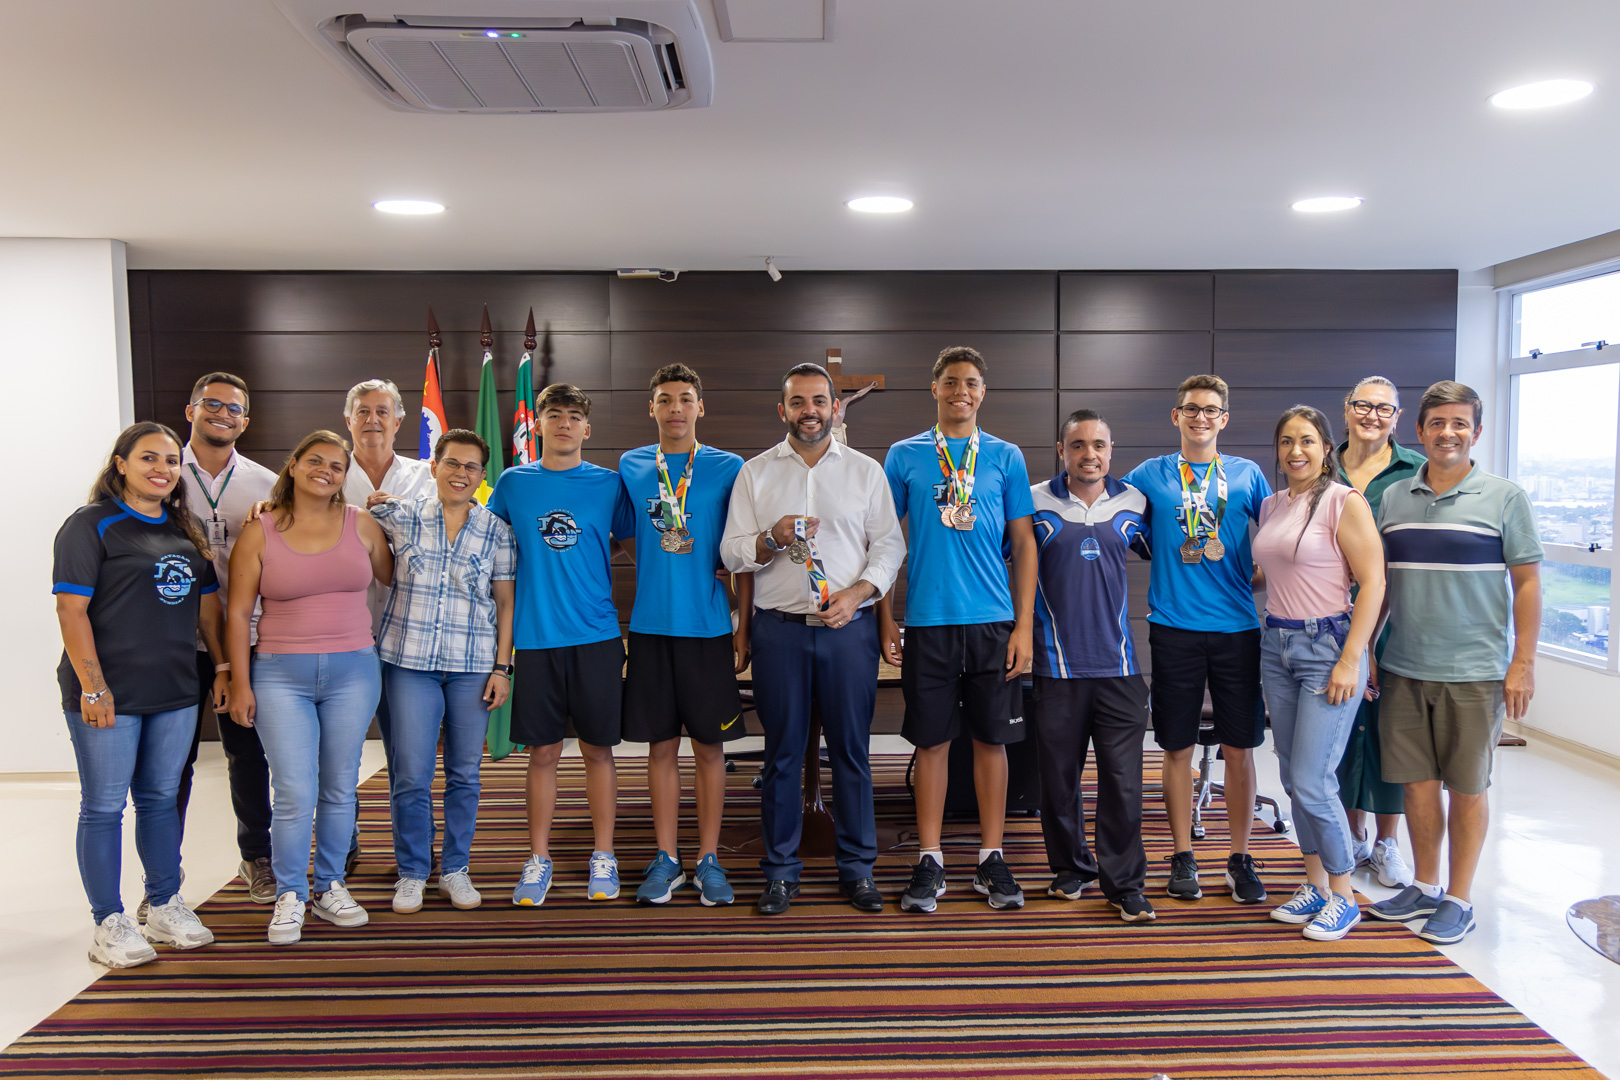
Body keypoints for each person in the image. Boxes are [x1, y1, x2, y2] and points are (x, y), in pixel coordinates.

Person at [722, 363, 905, 914]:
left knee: (851, 752)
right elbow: (731, 551)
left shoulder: (866, 472)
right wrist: (767, 539)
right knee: (782, 754)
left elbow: (889, 546)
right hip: (780, 632)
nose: (810, 411)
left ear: (835, 407)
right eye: (798, 402)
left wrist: (859, 593)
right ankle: (781, 871)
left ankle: (858, 869)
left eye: (819, 401)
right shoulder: (754, 473)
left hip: (849, 632)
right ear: (783, 410)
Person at [1367, 381, 1542, 944]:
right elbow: (1382, 583)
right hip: (1404, 665)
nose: (1448, 432)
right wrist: (1369, 647)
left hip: (1474, 671)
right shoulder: (1394, 498)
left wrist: (1523, 662)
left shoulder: (1505, 497)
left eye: (1460, 423)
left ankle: (1460, 898)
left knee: (1466, 788)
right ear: (1419, 431)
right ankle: (1425, 885)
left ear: (1476, 432)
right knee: (1417, 786)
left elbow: (1528, 583)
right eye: (1437, 423)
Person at [54, 421, 224, 967]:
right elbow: (71, 611)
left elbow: (208, 612)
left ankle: (165, 904)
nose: (162, 469)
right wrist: (93, 686)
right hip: (108, 692)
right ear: (121, 463)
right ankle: (108, 921)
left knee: (159, 799)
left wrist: (222, 667)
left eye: (172, 461)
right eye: (149, 457)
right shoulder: (91, 525)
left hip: (175, 690)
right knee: (104, 806)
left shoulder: (186, 527)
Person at [880, 345, 1038, 913]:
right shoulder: (904, 455)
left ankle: (991, 856)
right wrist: (884, 616)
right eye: (950, 381)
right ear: (935, 388)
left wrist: (1024, 626)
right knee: (932, 743)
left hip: (993, 622)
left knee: (993, 741)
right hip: (929, 622)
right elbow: (883, 542)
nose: (960, 391)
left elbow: (1024, 543)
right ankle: (930, 858)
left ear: (982, 392)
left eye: (971, 382)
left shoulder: (1005, 456)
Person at [226, 431, 394, 945]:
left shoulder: (362, 524)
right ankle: (290, 893)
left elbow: (396, 578)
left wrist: (397, 517)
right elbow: (237, 613)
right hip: (279, 674)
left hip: (354, 671)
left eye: (337, 466)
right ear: (294, 465)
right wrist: (239, 683)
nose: (326, 470)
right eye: (316, 461)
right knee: (294, 790)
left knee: (340, 785)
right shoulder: (259, 531)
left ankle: (330, 886)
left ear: (345, 476)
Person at [1122, 374, 1272, 905]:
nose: (1200, 417)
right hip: (1173, 627)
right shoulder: (1149, 474)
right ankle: (1183, 855)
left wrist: (1251, 577)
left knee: (1240, 747)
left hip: (1237, 628)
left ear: (1224, 418)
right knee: (1176, 746)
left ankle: (1239, 857)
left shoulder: (1247, 475)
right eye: (1191, 409)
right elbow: (1114, 518)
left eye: (1211, 410)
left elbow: (1278, 538)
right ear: (1176, 416)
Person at [487, 384, 636, 907]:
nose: (565, 423)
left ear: (587, 428)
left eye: (574, 416)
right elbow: (484, 540)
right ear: (539, 424)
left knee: (598, 750)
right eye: (554, 414)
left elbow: (634, 546)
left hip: (596, 637)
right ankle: (538, 858)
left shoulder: (609, 484)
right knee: (544, 752)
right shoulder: (513, 483)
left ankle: (603, 854)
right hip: (535, 639)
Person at [1252, 406, 1386, 941]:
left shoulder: (1342, 501)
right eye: (1286, 441)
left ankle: (1345, 896)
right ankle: (1314, 885)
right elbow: (1275, 571)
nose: (1296, 451)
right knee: (1291, 776)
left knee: (1313, 779)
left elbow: (1373, 582)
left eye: (1307, 440)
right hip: (1276, 644)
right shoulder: (1273, 503)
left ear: (1327, 447)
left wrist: (1351, 659)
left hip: (1327, 647)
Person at [371, 429, 516, 915]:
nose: (461, 473)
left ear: (481, 476)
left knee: (464, 773)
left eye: (471, 467)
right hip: (409, 663)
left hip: (473, 665)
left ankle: (455, 869)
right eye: (452, 463)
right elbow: (333, 516)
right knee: (411, 773)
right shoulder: (399, 515)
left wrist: (503, 668)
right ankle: (413, 871)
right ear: (433, 467)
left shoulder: (496, 530)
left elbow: (505, 603)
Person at [619, 365, 750, 907]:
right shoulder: (631, 465)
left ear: (701, 407)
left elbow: (743, 548)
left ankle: (709, 857)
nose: (676, 408)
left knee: (710, 748)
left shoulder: (729, 467)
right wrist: (657, 568)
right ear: (651, 408)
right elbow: (623, 533)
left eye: (686, 398)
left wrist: (742, 620)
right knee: (661, 747)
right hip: (650, 627)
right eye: (665, 399)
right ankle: (667, 857)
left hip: (708, 628)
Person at [1029, 410, 1156, 923]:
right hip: (1055, 666)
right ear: (1062, 450)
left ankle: (1125, 884)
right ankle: (1070, 868)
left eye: (1098, 445)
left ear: (1110, 450)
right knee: (1059, 780)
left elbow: (1174, 557)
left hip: (1119, 667)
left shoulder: (1135, 502)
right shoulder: (1033, 501)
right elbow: (1001, 561)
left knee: (1122, 782)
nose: (1089, 454)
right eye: (1078, 444)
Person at [174, 371, 279, 907]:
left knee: (248, 754)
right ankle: (162, 880)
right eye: (211, 404)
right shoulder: (163, 472)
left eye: (233, 408)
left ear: (246, 420)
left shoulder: (266, 483)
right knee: (172, 765)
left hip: (243, 638)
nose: (222, 414)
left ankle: (256, 856)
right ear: (190, 410)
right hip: (172, 641)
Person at [1334, 377, 1425, 889]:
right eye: (1363, 405)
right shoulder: (1322, 465)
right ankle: (1351, 833)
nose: (1372, 415)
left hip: (1395, 618)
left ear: (1397, 417)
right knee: (1341, 731)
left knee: (1391, 731)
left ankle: (1388, 841)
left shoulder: (1416, 470)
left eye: (1383, 408)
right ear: (1346, 410)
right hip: (1328, 615)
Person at [340, 378, 435, 870]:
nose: (372, 419)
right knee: (338, 757)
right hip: (342, 639)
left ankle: (414, 858)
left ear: (399, 421)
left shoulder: (427, 476)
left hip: (408, 638)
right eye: (363, 411)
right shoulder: (326, 473)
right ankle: (341, 845)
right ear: (348, 420)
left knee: (409, 759)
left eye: (383, 411)